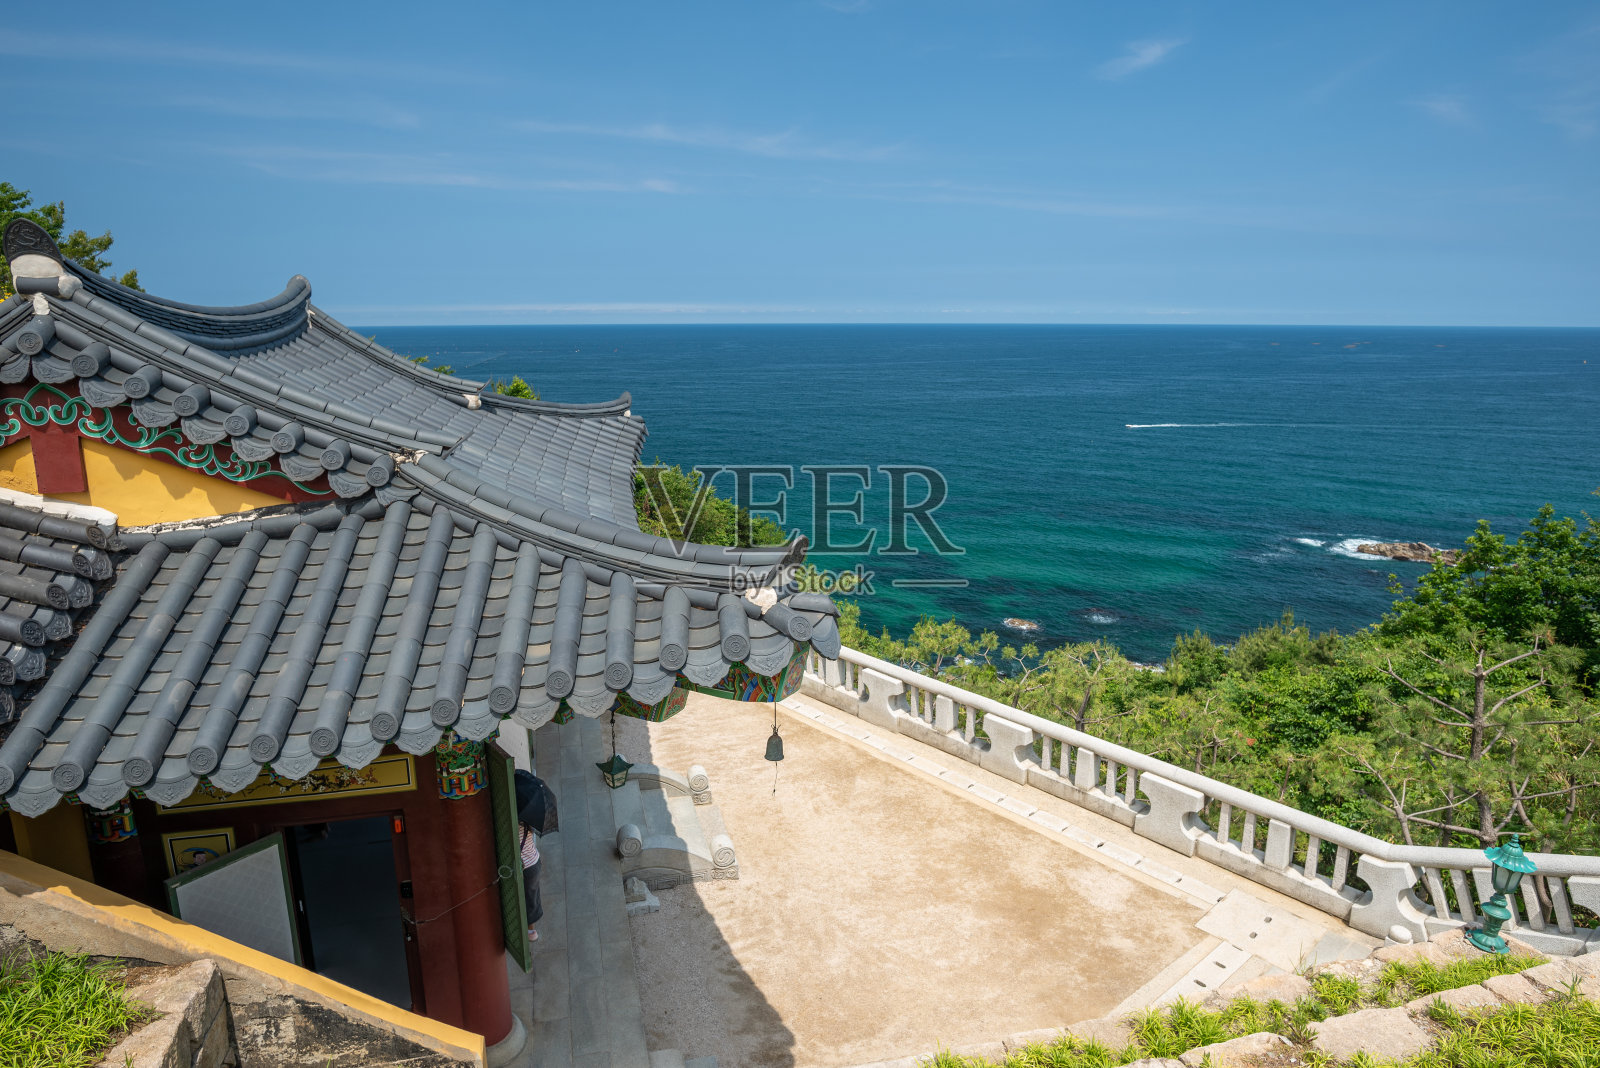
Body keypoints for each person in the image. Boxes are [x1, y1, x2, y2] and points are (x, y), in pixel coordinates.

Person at [519, 816, 542, 943]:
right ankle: (531, 929)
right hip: (535, 861)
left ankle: (530, 930)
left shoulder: (513, 828)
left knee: (528, 896)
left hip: (525, 867)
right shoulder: (528, 822)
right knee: (532, 895)